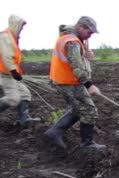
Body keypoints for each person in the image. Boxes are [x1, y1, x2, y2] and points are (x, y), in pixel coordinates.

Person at [45, 16, 105, 150]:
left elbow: (72, 59)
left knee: (80, 109)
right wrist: (90, 85)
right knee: (88, 110)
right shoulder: (72, 41)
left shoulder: (70, 38)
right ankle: (87, 143)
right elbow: (76, 67)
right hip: (68, 81)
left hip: (67, 80)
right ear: (80, 27)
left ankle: (54, 132)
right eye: (89, 32)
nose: (90, 36)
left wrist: (85, 55)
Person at [0, 14, 40, 126]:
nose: (21, 29)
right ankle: (23, 119)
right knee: (13, 99)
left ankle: (24, 119)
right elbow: (7, 56)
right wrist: (13, 71)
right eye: (21, 27)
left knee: (25, 94)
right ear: (15, 25)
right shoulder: (5, 37)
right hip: (6, 74)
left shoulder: (12, 37)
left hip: (11, 74)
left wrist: (15, 72)